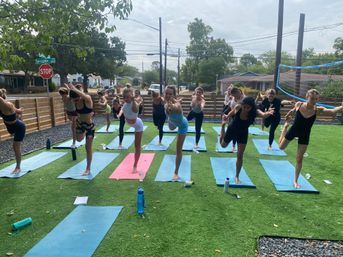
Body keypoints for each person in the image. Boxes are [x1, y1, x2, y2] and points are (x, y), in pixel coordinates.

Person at [279, 89, 343, 189]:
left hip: (305, 135)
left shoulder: (317, 109)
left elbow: (332, 111)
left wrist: (341, 107)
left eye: (316, 99)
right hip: (294, 130)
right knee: (281, 148)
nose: (314, 101)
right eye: (312, 98)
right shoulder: (299, 104)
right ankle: (285, 128)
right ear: (307, 97)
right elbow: (293, 110)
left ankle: (295, 180)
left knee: (299, 159)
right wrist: (288, 115)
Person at [220, 96, 274, 184]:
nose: (245, 109)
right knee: (223, 145)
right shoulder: (238, 107)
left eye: (248, 108)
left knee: (240, 155)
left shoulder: (255, 112)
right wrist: (227, 116)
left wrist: (269, 112)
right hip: (232, 129)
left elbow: (263, 115)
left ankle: (237, 176)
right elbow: (232, 112)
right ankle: (222, 127)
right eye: (244, 106)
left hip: (243, 133)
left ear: (252, 107)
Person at [67, 84, 94, 176]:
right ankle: (84, 133)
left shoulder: (87, 99)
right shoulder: (74, 99)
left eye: (77, 99)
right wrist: (69, 90)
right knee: (79, 140)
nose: (76, 102)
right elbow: (68, 98)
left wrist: (74, 89)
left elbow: (84, 95)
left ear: (80, 95)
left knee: (88, 148)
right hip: (80, 124)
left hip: (89, 126)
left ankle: (88, 168)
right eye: (74, 100)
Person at [164, 85, 188, 181]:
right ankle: (170, 120)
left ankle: (176, 172)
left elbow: (176, 107)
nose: (168, 95)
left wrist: (174, 104)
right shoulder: (166, 102)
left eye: (170, 94)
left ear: (174, 95)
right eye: (166, 93)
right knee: (170, 128)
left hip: (182, 125)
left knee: (178, 150)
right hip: (172, 123)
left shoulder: (177, 105)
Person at [0, 88, 26, 174]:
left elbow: (18, 111)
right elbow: (18, 111)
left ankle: (18, 167)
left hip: (18, 128)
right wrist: (20, 111)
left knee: (15, 147)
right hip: (10, 128)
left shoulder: (8, 105)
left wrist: (20, 113)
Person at [120, 88, 144, 173]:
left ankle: (135, 165)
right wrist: (119, 114)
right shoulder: (125, 104)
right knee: (136, 146)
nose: (126, 99)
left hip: (137, 125)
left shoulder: (135, 104)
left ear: (131, 97)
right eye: (124, 97)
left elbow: (135, 109)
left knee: (137, 146)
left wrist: (134, 100)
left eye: (128, 97)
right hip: (129, 123)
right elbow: (122, 109)